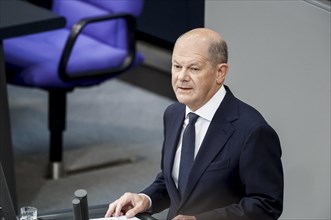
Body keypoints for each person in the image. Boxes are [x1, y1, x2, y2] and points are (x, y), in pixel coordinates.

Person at [105, 28, 284, 220]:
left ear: (220, 73)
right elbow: (173, 183)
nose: (181, 77)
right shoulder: (173, 114)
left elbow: (266, 205)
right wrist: (145, 198)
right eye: (177, 66)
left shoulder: (253, 131)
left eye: (194, 68)